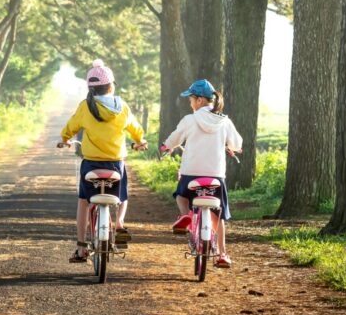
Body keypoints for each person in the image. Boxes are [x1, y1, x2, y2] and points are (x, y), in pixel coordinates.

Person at [58, 60, 147, 263]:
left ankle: (81, 248)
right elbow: (135, 129)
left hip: (91, 163)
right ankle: (119, 223)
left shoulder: (85, 106)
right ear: (111, 86)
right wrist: (140, 141)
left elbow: (70, 127)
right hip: (116, 163)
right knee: (122, 195)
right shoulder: (122, 106)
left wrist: (64, 140)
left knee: (83, 201)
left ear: (90, 88)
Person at [161, 79, 242, 268]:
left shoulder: (190, 120)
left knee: (181, 196)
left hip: (190, 176)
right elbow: (237, 144)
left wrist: (167, 146)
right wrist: (233, 148)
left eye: (190, 100)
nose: (190, 103)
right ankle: (222, 254)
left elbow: (174, 138)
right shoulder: (224, 120)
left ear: (198, 100)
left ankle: (184, 215)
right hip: (215, 177)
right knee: (219, 215)